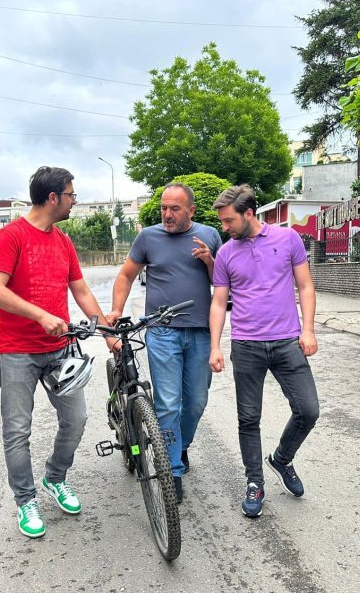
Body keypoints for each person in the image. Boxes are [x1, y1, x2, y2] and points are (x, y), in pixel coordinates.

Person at [0, 166, 114, 539]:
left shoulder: (63, 241)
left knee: (76, 420)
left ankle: (55, 478)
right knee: (17, 431)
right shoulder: (11, 236)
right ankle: (26, 500)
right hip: (17, 352)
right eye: (72, 195)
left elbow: (82, 290)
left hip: (59, 350)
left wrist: (105, 331)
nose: (75, 201)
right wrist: (41, 315)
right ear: (54, 197)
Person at [208, 184, 320, 518]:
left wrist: (308, 328)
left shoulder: (288, 240)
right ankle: (254, 482)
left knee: (308, 410)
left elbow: (305, 286)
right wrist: (215, 345)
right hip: (246, 345)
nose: (224, 228)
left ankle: (281, 460)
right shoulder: (226, 254)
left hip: (287, 341)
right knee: (248, 418)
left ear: (248, 214)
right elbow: (218, 302)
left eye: (228, 221)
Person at [107, 182, 222, 503]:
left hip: (200, 331)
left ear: (191, 210)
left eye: (175, 209)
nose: (167, 215)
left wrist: (210, 261)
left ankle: (179, 446)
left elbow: (223, 285)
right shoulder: (148, 238)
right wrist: (117, 309)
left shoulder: (210, 235)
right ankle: (172, 467)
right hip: (162, 332)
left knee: (196, 401)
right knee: (169, 402)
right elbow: (126, 275)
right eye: (163, 208)